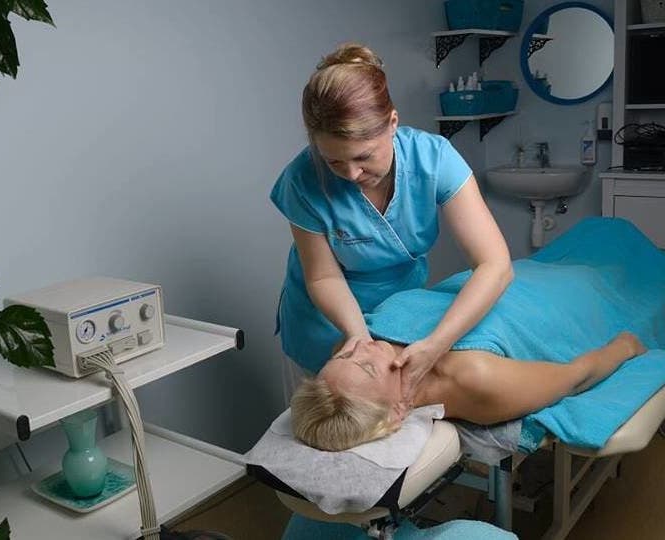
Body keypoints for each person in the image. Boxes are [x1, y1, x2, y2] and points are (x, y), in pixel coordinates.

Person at [270, 42, 513, 396]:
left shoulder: (434, 160)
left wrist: (437, 344)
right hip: (322, 324)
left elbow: (495, 265)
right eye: (334, 161)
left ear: (393, 124)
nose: (351, 174)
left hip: (397, 314)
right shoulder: (303, 179)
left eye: (363, 157)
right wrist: (357, 337)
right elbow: (323, 275)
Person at [292, 332, 647, 451]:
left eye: (344, 356)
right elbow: (575, 377)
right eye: (367, 367)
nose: (360, 345)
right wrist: (625, 347)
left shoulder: (351, 342)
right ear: (397, 410)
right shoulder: (475, 379)